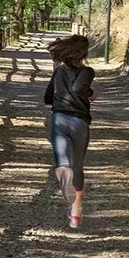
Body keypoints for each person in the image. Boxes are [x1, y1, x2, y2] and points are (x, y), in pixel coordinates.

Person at [43, 34, 95, 229]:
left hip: (59, 119)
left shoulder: (59, 72)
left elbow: (47, 98)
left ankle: (66, 181)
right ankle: (76, 213)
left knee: (63, 164)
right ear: (83, 53)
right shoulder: (88, 71)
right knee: (78, 165)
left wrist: (59, 96)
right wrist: (91, 94)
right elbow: (80, 87)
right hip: (79, 121)